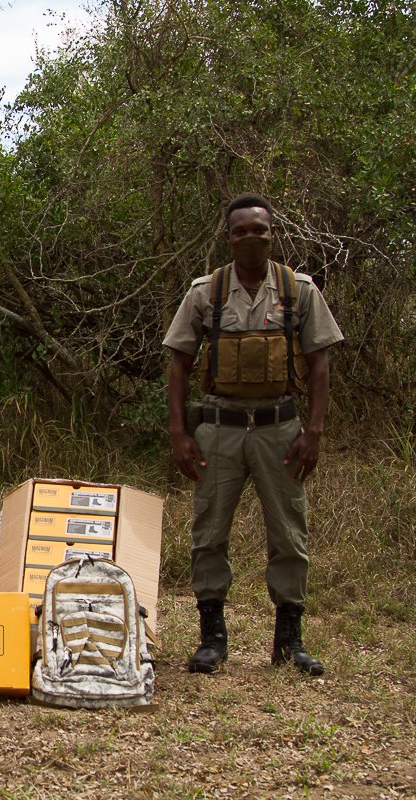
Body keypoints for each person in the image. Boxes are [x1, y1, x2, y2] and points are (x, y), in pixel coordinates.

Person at [164, 193, 343, 676]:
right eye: (241, 230)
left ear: (271, 234)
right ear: (229, 237)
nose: (251, 237)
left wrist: (315, 430)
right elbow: (179, 362)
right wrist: (180, 432)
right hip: (218, 431)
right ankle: (211, 639)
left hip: (279, 429)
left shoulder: (298, 290)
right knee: (208, 533)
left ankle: (289, 641)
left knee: (288, 532)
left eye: (259, 230)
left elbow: (319, 363)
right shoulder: (207, 292)